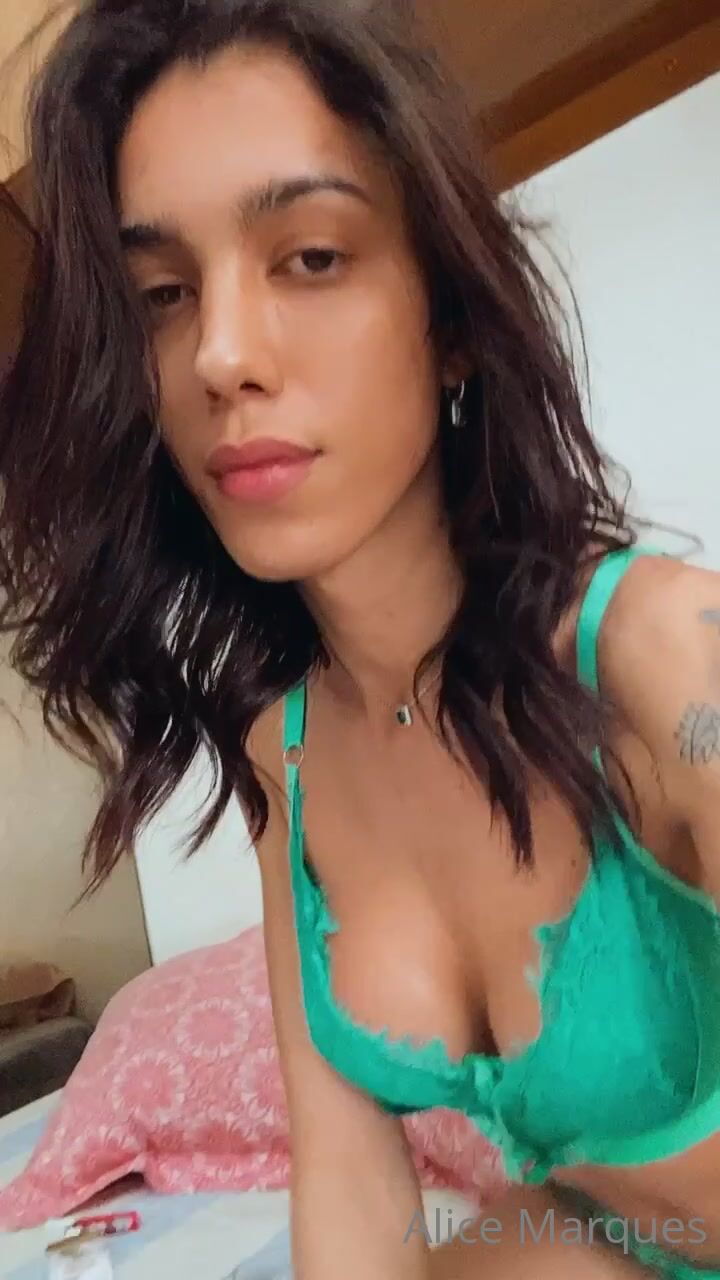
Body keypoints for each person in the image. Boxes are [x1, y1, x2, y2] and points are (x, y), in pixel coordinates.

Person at [1, 2, 719, 1276]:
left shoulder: (667, 658)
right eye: (163, 294)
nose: (221, 353)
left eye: (312, 256)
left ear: (450, 320)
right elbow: (348, 1181)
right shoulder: (288, 760)